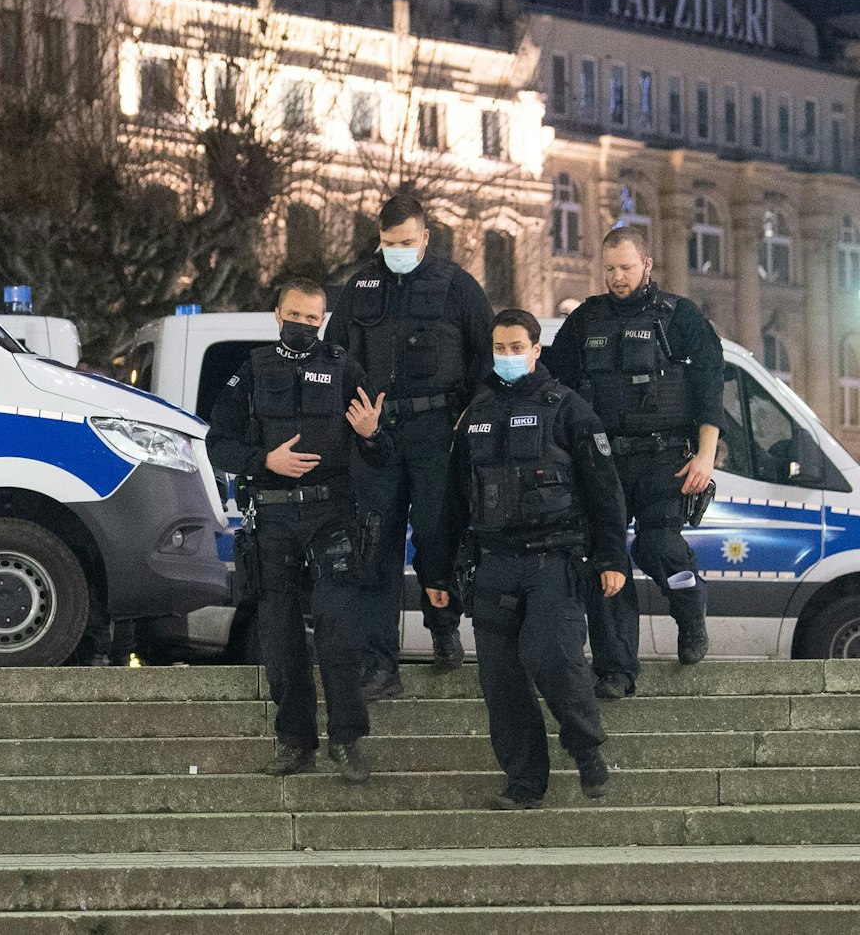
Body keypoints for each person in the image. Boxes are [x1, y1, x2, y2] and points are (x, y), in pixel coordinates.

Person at [431, 310, 630, 810]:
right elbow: (452, 502)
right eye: (500, 348)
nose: (508, 356)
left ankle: (587, 752)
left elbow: (605, 492)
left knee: (553, 658)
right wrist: (437, 571)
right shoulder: (474, 413)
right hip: (493, 565)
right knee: (501, 685)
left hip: (553, 562)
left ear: (537, 349)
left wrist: (611, 558)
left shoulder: (568, 409)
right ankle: (524, 785)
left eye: (517, 346)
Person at [209, 277, 390, 782]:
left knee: (337, 629)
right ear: (277, 315)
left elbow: (383, 451)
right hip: (273, 518)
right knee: (279, 635)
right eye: (296, 315)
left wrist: (372, 436)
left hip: (332, 513)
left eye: (314, 318)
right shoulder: (250, 370)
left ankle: (348, 740)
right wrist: (263, 460)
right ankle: (294, 742)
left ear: (324, 320)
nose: (304, 325)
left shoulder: (344, 369)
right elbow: (216, 443)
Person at [543, 225, 723, 698]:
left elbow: (709, 388)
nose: (617, 277)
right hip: (603, 462)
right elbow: (551, 383)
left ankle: (690, 608)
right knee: (607, 560)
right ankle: (616, 671)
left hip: (666, 457)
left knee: (658, 546)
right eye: (609, 269)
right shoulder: (585, 320)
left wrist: (706, 455)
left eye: (626, 267)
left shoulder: (680, 316)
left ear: (646, 265)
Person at [328, 194, 495, 696]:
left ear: (426, 237)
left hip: (437, 435)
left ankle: (443, 627)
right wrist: (355, 419)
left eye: (406, 242)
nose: (396, 250)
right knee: (374, 546)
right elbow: (338, 356)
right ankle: (380, 665)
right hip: (376, 435)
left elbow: (485, 363)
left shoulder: (457, 287)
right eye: (387, 243)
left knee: (436, 537)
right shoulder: (361, 287)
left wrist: (469, 423)